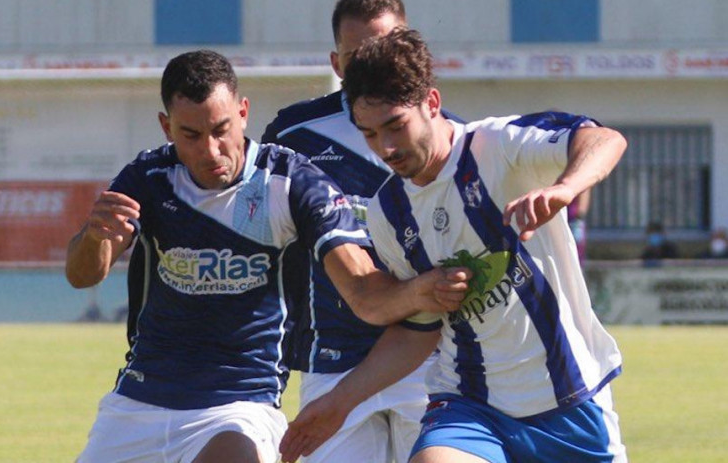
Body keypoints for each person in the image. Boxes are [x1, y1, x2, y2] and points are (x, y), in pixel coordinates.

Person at [65, 49, 470, 463]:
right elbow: (84, 275)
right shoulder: (148, 178)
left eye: (221, 129)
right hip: (138, 400)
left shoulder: (291, 182)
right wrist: (95, 235)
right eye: (191, 135)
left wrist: (421, 291)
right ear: (167, 127)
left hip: (239, 407)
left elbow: (364, 291)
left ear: (243, 112)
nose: (211, 150)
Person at [280, 29, 629, 463]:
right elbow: (418, 330)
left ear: (431, 102)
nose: (385, 148)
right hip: (470, 406)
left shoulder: (497, 146)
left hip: (570, 400)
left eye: (395, 126)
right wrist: (338, 402)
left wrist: (565, 188)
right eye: (369, 134)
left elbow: (604, 139)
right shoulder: (389, 213)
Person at [262, 2, 460, 462]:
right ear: (336, 63)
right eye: (357, 57)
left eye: (386, 48)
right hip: (332, 358)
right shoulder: (295, 134)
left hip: (431, 358)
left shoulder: (453, 137)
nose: (373, 65)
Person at [567, 188, 591, 265]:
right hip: (558, 219)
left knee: (575, 257)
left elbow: (585, 190)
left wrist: (579, 217)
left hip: (573, 220)